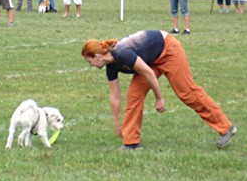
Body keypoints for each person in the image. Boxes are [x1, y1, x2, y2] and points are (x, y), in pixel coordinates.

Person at [81, 30, 237, 150]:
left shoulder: (122, 53)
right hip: (151, 60)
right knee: (134, 94)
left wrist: (159, 98)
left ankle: (225, 127)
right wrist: (116, 123)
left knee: (187, 93)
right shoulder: (110, 67)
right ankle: (131, 143)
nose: (91, 66)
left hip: (168, 49)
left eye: (89, 62)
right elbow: (115, 96)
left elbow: (148, 73)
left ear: (97, 56)